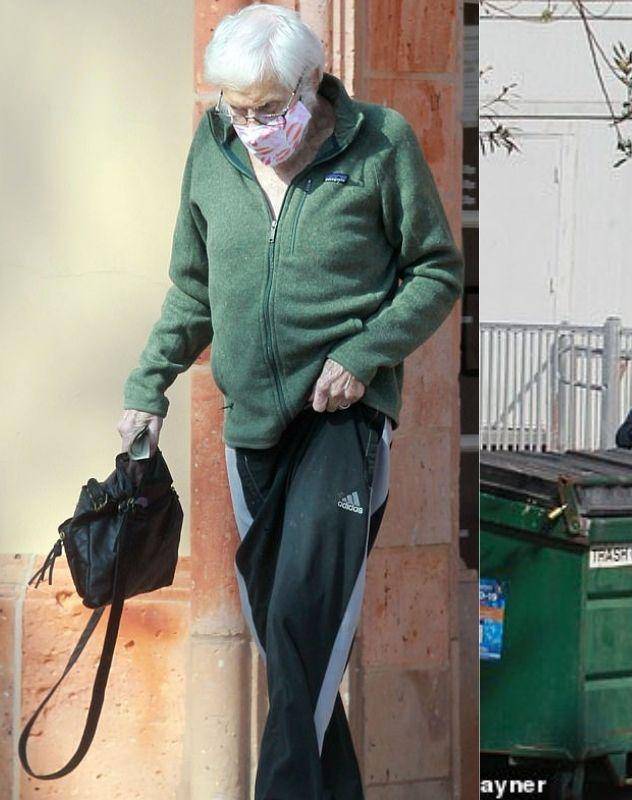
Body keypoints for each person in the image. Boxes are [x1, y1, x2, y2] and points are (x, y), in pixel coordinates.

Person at [115, 5, 462, 799]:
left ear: (312, 83)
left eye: (267, 110)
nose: (249, 127)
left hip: (342, 425)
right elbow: (193, 288)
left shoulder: (381, 143)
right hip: (254, 432)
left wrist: (362, 356)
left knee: (303, 629)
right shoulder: (211, 151)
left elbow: (437, 271)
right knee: (289, 645)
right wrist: (149, 383)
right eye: (234, 110)